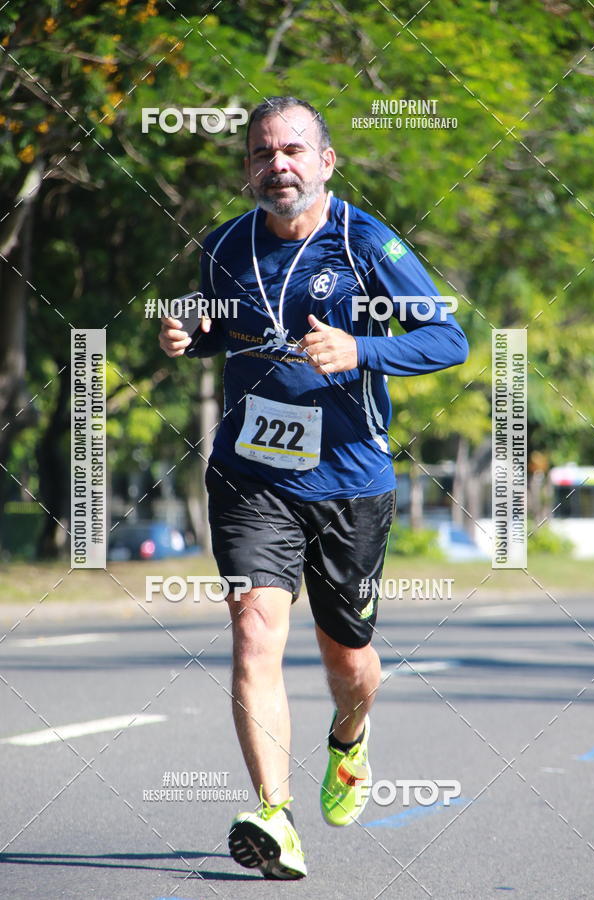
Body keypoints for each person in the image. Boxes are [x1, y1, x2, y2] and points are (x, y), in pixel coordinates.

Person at [159, 96, 468, 880]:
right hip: (249, 476)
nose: (279, 164)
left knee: (349, 661)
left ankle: (350, 736)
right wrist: (188, 337)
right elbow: (223, 332)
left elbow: (448, 336)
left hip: (349, 481)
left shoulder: (366, 243)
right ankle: (273, 815)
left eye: (295, 150)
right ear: (248, 168)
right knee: (254, 625)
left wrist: (361, 348)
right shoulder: (225, 246)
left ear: (327, 161)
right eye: (264, 153)